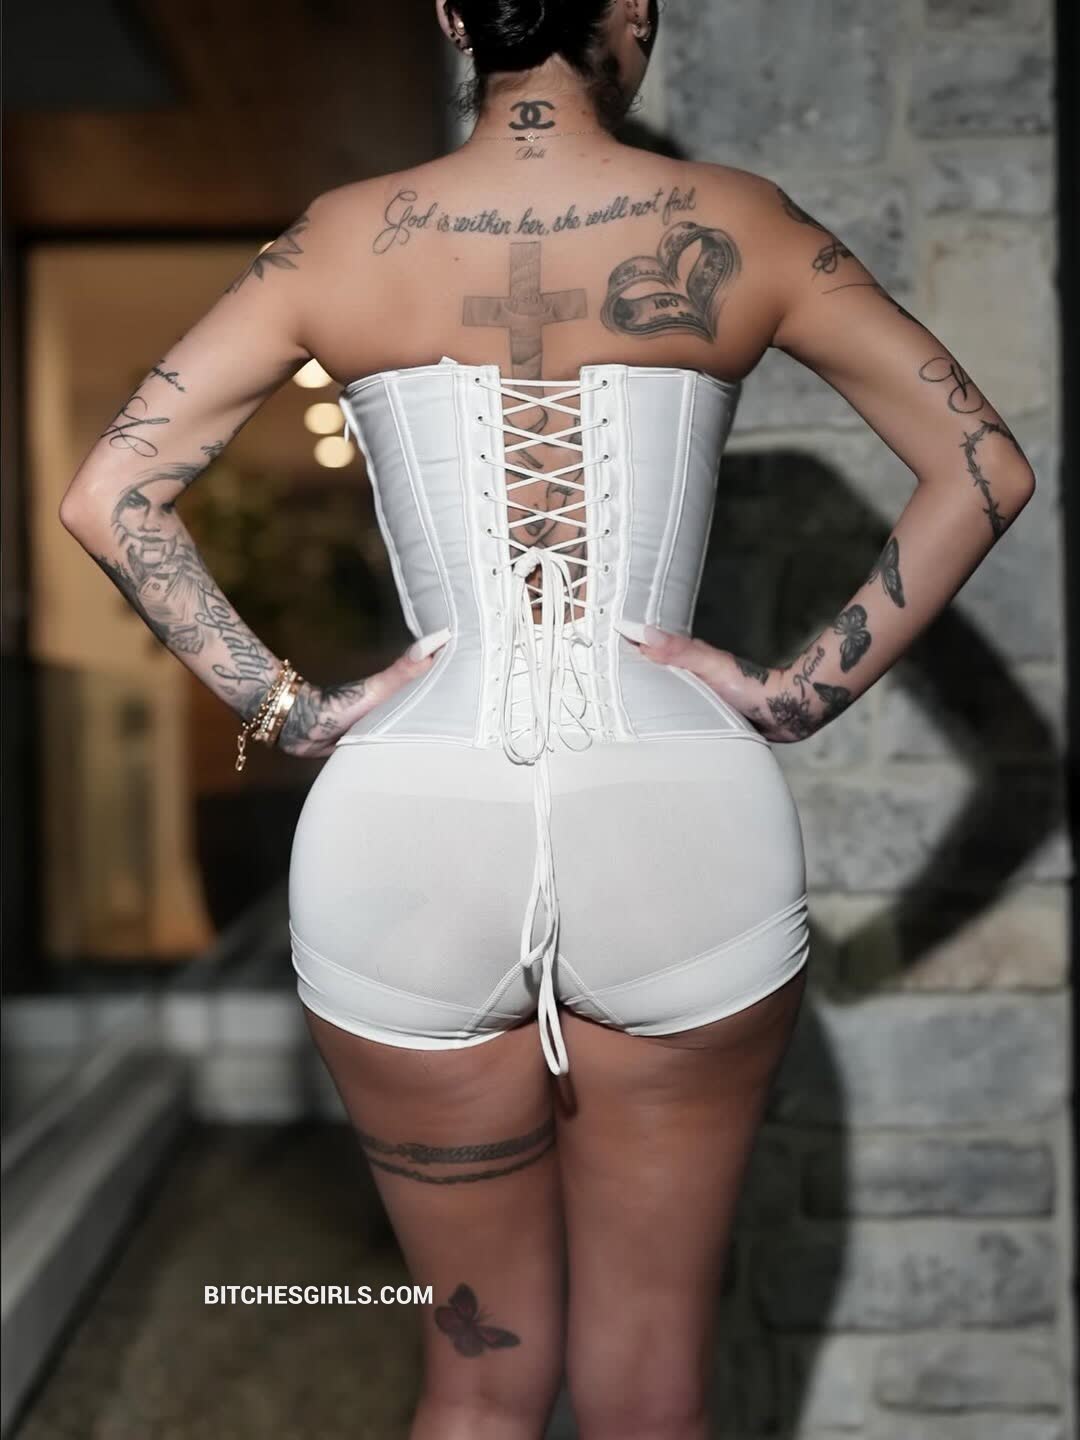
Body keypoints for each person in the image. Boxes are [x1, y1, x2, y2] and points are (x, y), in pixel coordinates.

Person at [59, 1, 1037, 1434]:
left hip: (409, 831)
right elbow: (985, 467)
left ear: (454, 13)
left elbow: (111, 498)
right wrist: (791, 695)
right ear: (632, 10)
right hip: (680, 825)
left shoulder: (340, 240)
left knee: (478, 1381)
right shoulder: (740, 222)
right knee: (650, 1394)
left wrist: (292, 711)